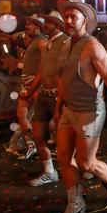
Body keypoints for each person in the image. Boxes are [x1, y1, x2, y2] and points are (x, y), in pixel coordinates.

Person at [53, 0, 107, 213]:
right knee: (63, 157)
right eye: (66, 16)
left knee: (86, 163)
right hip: (69, 110)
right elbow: (63, 79)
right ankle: (76, 203)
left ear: (85, 20)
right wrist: (58, 106)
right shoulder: (64, 44)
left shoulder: (93, 46)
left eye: (74, 17)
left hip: (89, 111)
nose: (68, 20)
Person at [23, 11, 68, 186]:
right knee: (37, 134)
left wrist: (63, 97)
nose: (44, 25)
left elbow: (67, 72)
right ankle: (50, 171)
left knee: (66, 135)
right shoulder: (48, 43)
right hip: (44, 94)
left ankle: (84, 165)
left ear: (56, 25)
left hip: (59, 95)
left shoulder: (65, 42)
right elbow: (42, 70)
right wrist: (31, 89)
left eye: (48, 23)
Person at [13, 14, 48, 160]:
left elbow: (45, 60)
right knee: (22, 114)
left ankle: (44, 146)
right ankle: (32, 145)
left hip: (34, 82)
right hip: (27, 81)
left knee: (42, 117)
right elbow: (14, 37)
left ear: (38, 27)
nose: (26, 26)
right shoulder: (33, 41)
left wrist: (36, 82)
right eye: (26, 23)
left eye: (30, 24)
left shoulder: (41, 41)